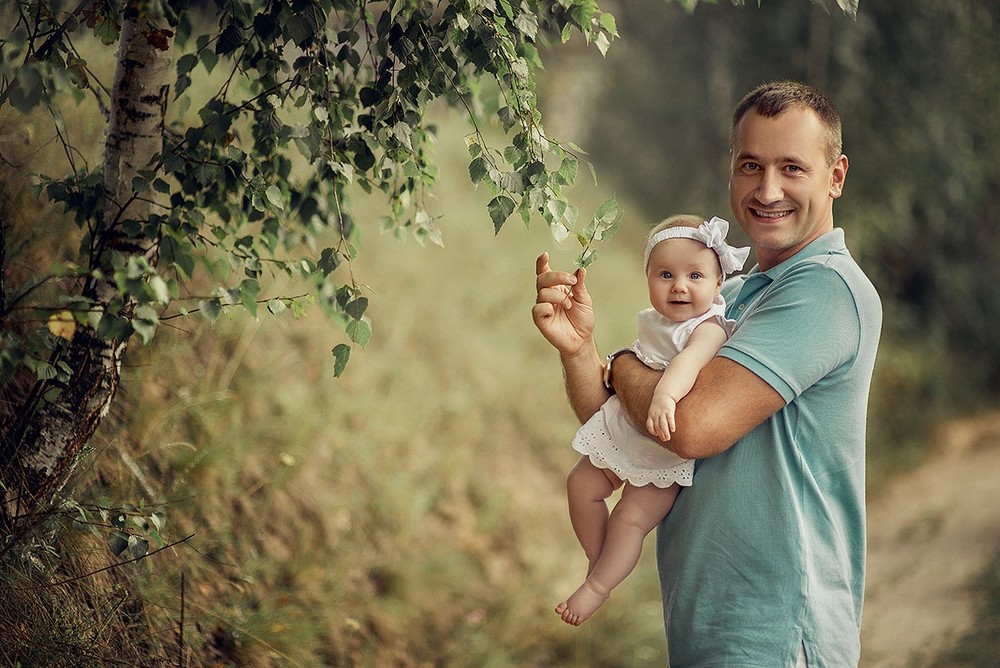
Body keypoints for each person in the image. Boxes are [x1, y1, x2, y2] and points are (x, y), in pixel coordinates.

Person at [533, 81, 882, 666]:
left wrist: (618, 364)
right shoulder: (731, 295)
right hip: (706, 621)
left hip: (776, 630)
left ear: (836, 176)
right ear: (732, 172)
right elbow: (621, 426)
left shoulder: (827, 288)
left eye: (792, 168)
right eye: (752, 165)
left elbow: (687, 426)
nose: (767, 190)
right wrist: (580, 350)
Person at [556, 214, 748, 626]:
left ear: (718, 285)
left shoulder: (709, 326)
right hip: (627, 428)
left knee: (630, 518)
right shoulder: (654, 319)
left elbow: (689, 361)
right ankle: (597, 558)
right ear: (648, 278)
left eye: (695, 275)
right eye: (665, 274)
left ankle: (598, 588)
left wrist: (664, 394)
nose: (679, 285)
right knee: (581, 483)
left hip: (664, 448)